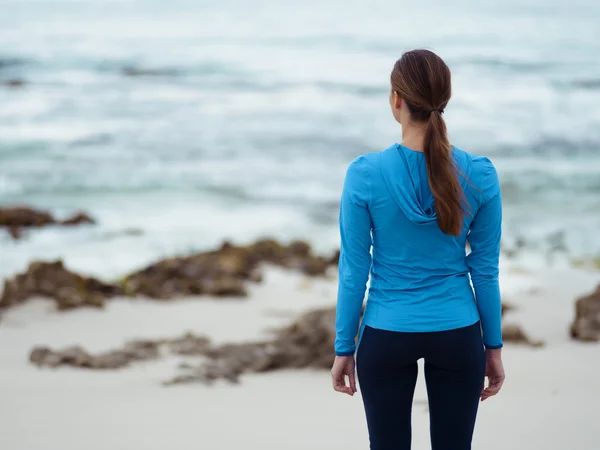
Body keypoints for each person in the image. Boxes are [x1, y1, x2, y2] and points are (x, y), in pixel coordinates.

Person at [330, 49, 505, 450]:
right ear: (444, 99)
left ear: (396, 100)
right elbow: (485, 271)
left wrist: (344, 346)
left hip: (385, 333)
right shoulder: (479, 173)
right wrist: (492, 346)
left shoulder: (364, 174)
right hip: (458, 333)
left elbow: (354, 269)